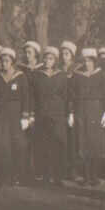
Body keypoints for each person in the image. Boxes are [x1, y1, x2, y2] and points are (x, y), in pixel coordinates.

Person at [0, 47, 32, 186]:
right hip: (2, 115)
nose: (4, 63)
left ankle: (18, 175)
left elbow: (26, 97)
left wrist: (25, 116)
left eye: (7, 61)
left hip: (16, 114)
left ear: (12, 62)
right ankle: (4, 175)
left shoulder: (20, 76)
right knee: (3, 145)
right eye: (3, 61)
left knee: (18, 145)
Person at [69, 48, 105, 185]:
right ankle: (86, 176)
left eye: (90, 61)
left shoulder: (101, 74)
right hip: (81, 111)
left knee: (95, 144)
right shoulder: (77, 75)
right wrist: (71, 113)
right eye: (85, 61)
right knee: (84, 143)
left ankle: (94, 176)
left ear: (94, 61)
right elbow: (71, 95)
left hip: (96, 110)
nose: (87, 64)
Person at [32, 46, 68, 186]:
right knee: (44, 145)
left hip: (57, 114)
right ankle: (46, 176)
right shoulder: (38, 75)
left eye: (51, 59)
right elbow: (33, 95)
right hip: (42, 113)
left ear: (55, 61)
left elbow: (65, 95)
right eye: (46, 58)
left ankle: (58, 176)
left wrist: (65, 112)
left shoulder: (61, 75)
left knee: (57, 144)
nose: (48, 61)